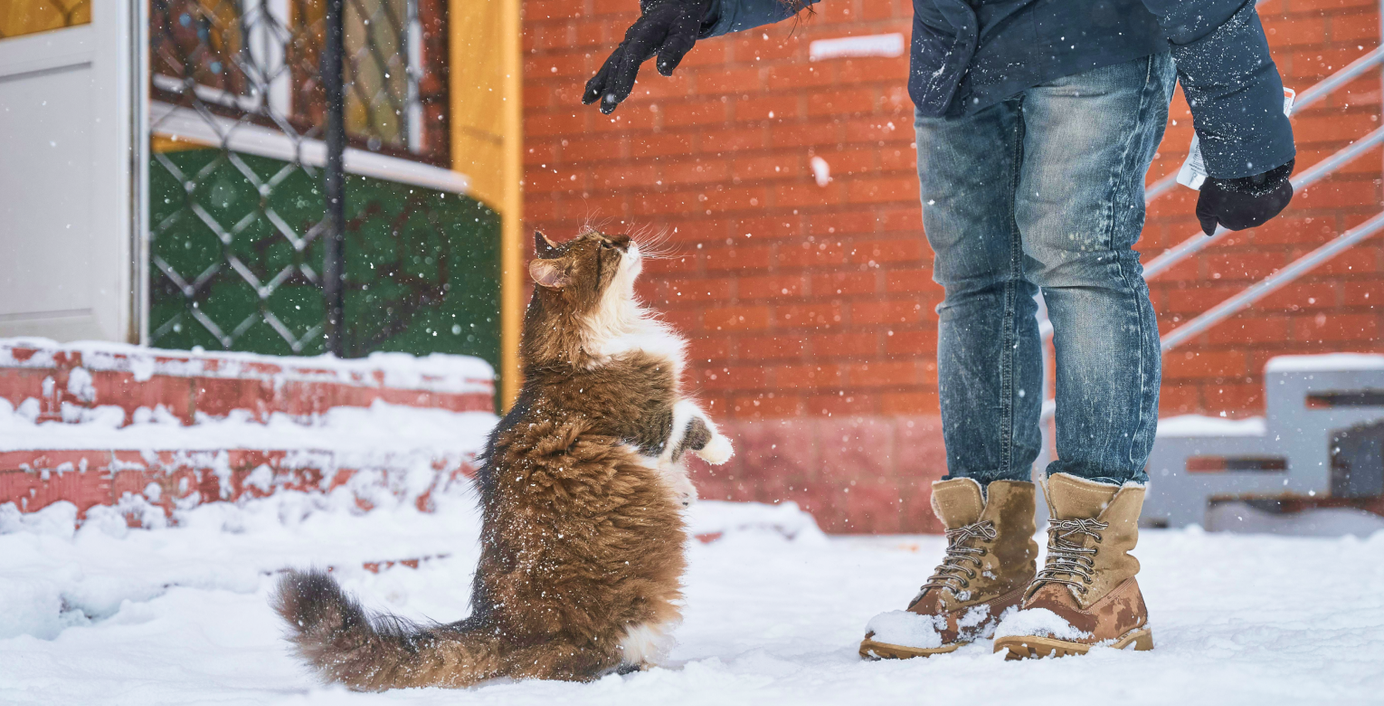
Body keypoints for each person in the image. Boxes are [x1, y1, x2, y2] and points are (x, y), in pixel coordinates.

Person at [582, 0, 1295, 658]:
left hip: (1097, 33)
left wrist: (1244, 135)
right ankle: (988, 556)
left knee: (1082, 257)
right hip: (962, 55)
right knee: (976, 282)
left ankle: (1098, 567)